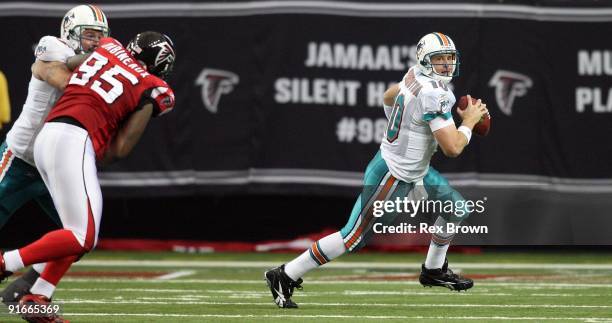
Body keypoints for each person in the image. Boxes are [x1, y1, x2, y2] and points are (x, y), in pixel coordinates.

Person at [265, 32, 488, 308]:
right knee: (352, 237)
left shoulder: (414, 76)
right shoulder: (435, 93)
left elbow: (388, 96)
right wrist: (469, 121)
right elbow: (452, 148)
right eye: (438, 59)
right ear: (424, 60)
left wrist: (403, 130)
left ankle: (433, 270)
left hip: (411, 169)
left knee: (456, 209)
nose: (445, 65)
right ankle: (284, 274)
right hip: (394, 176)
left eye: (448, 59)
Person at [0, 31, 176, 322]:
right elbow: (119, 149)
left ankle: (37, 297)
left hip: (46, 136)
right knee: (83, 235)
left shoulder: (107, 47)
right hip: (74, 139)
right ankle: (7, 263)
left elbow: (72, 63)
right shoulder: (154, 87)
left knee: (77, 233)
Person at [0, 4, 109, 306]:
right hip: (20, 159)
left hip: (55, 166)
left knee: (81, 237)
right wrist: (105, 63)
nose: (95, 42)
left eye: (101, 37)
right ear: (70, 33)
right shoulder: (53, 46)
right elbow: (63, 79)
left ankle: (26, 285)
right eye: (89, 35)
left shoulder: (95, 63)